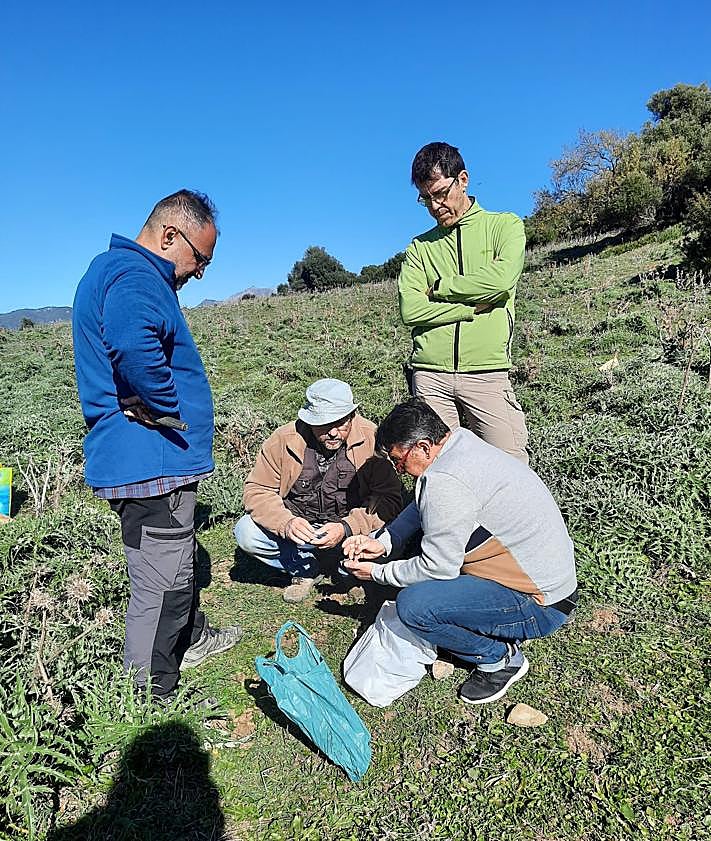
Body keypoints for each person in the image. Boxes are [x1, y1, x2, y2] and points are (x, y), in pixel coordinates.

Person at [72, 189, 242, 700]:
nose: (199, 273)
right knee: (160, 585)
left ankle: (190, 640)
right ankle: (149, 695)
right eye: (200, 259)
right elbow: (131, 340)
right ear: (170, 235)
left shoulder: (114, 270)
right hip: (153, 461)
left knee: (172, 562)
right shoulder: (137, 275)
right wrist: (165, 404)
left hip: (153, 461)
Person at [343, 399, 577, 705]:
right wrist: (385, 541)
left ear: (424, 447)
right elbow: (423, 501)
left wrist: (377, 572)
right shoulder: (460, 444)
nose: (399, 471)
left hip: (540, 606)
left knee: (415, 605)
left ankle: (500, 661)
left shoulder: (445, 481)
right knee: (421, 579)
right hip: (552, 585)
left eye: (400, 462)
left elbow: (438, 568)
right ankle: (491, 627)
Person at [398, 141, 529, 463]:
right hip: (429, 375)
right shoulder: (420, 247)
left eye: (441, 193)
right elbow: (410, 310)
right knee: (441, 471)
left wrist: (440, 288)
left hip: (486, 372)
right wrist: (469, 308)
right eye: (425, 198)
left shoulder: (505, 225)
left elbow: (499, 282)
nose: (434, 205)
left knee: (510, 465)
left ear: (463, 180)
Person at [234, 379, 403, 603]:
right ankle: (304, 568)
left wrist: (347, 527)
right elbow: (258, 490)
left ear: (352, 416)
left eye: (341, 423)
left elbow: (390, 498)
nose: (333, 432)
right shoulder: (283, 440)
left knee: (388, 535)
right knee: (246, 532)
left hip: (351, 531)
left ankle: (348, 573)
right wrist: (286, 523)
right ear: (309, 420)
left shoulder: (371, 438)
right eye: (324, 424)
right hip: (300, 529)